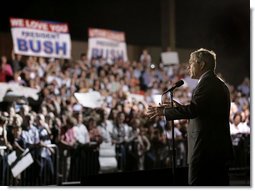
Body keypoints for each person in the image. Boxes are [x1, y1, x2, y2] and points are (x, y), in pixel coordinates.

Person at [146, 48, 233, 186]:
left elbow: (194, 110)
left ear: (202, 64)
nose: (188, 67)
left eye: (191, 63)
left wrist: (165, 112)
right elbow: (203, 112)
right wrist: (178, 108)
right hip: (216, 150)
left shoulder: (207, 84)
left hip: (204, 151)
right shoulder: (218, 84)